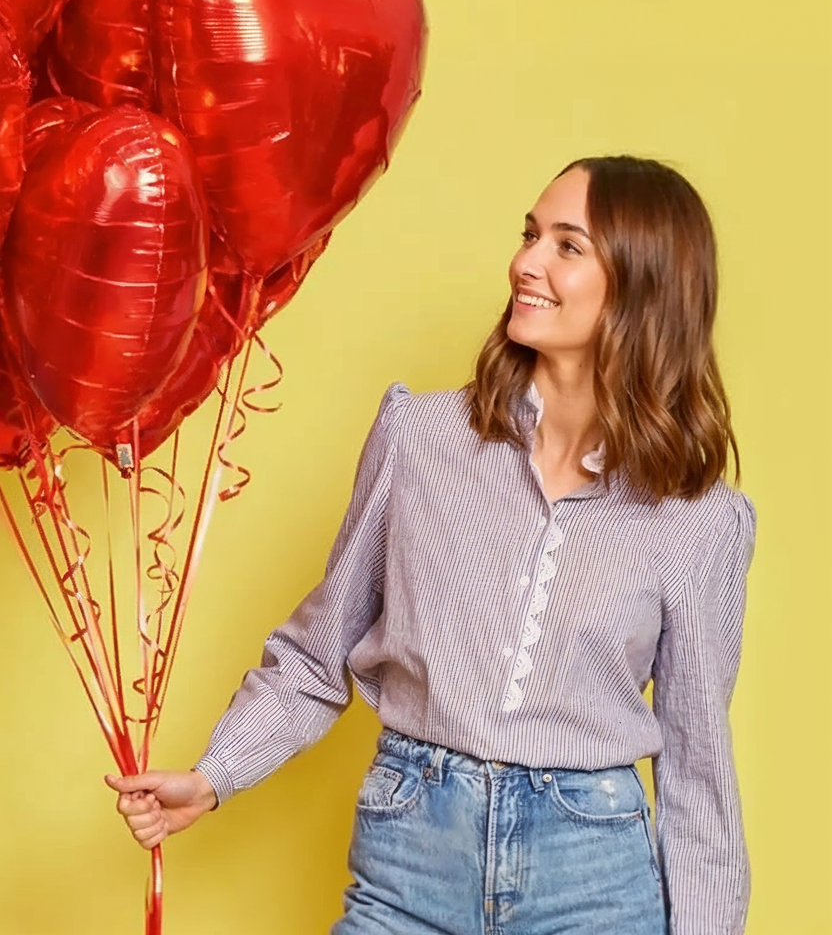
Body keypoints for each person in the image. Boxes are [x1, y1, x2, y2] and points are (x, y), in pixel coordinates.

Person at [105, 156, 755, 935]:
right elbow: (318, 655)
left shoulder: (699, 519)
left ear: (644, 287)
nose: (526, 263)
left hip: (593, 883)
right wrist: (216, 775)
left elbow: (697, 773)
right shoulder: (420, 439)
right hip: (409, 861)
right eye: (529, 235)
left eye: (567, 246)